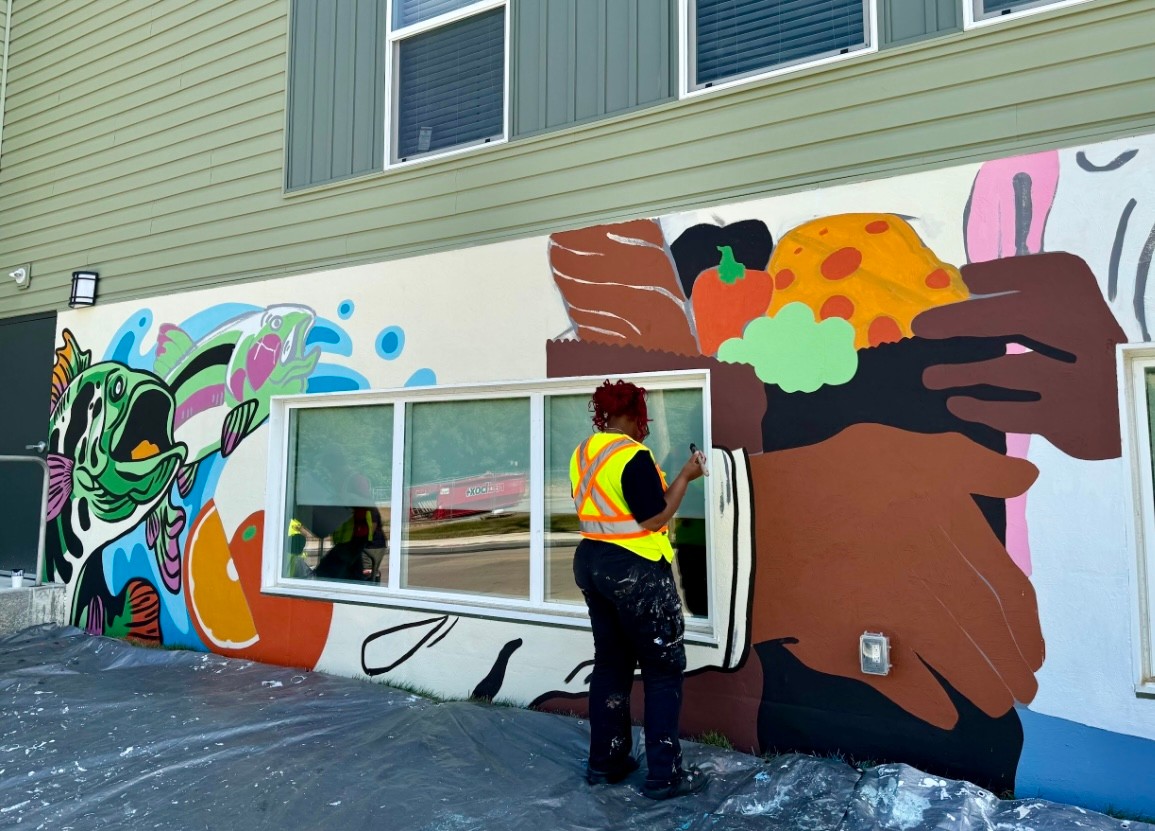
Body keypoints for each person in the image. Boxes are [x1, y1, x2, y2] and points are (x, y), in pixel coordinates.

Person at [570, 379, 708, 800]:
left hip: (593, 561)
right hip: (635, 569)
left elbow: (617, 505)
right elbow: (653, 518)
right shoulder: (633, 455)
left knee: (611, 664)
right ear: (634, 415)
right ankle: (665, 776)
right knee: (663, 668)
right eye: (643, 417)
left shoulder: (584, 452)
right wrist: (686, 476)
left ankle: (606, 762)